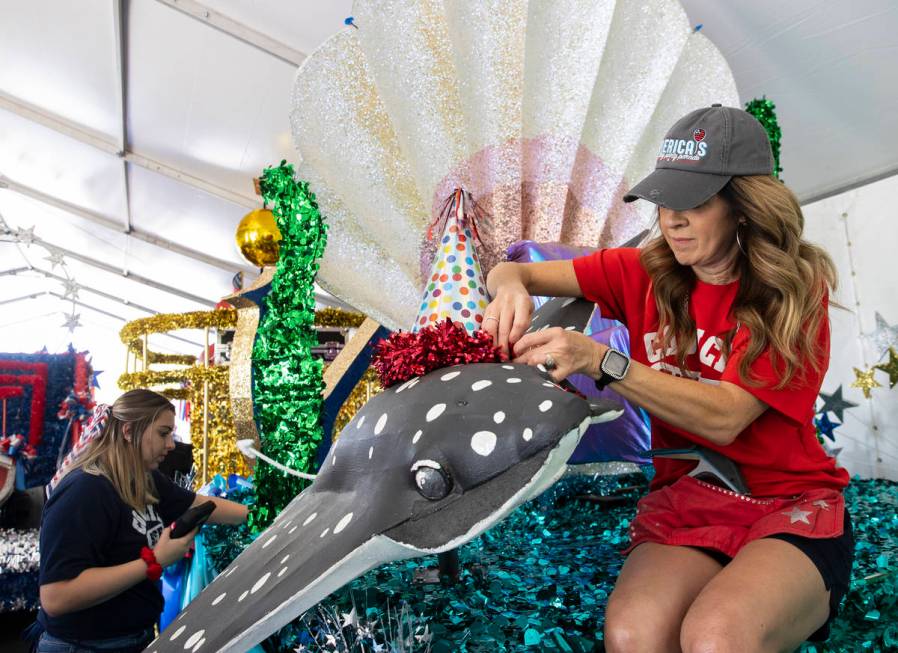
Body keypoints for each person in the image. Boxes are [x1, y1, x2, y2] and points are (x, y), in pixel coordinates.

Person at [484, 104, 852, 652]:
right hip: (689, 499)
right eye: (665, 201)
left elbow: (726, 417)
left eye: (695, 203)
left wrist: (602, 361)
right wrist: (510, 285)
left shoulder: (792, 291)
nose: (672, 220)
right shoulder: (641, 270)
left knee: (716, 636)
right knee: (633, 635)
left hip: (788, 504)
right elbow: (512, 269)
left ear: (744, 208)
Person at [34, 389, 248, 653]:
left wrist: (261, 517)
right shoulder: (85, 491)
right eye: (163, 433)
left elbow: (200, 505)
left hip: (131, 640)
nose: (171, 444)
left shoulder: (144, 478)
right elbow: (56, 596)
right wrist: (154, 561)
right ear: (128, 431)